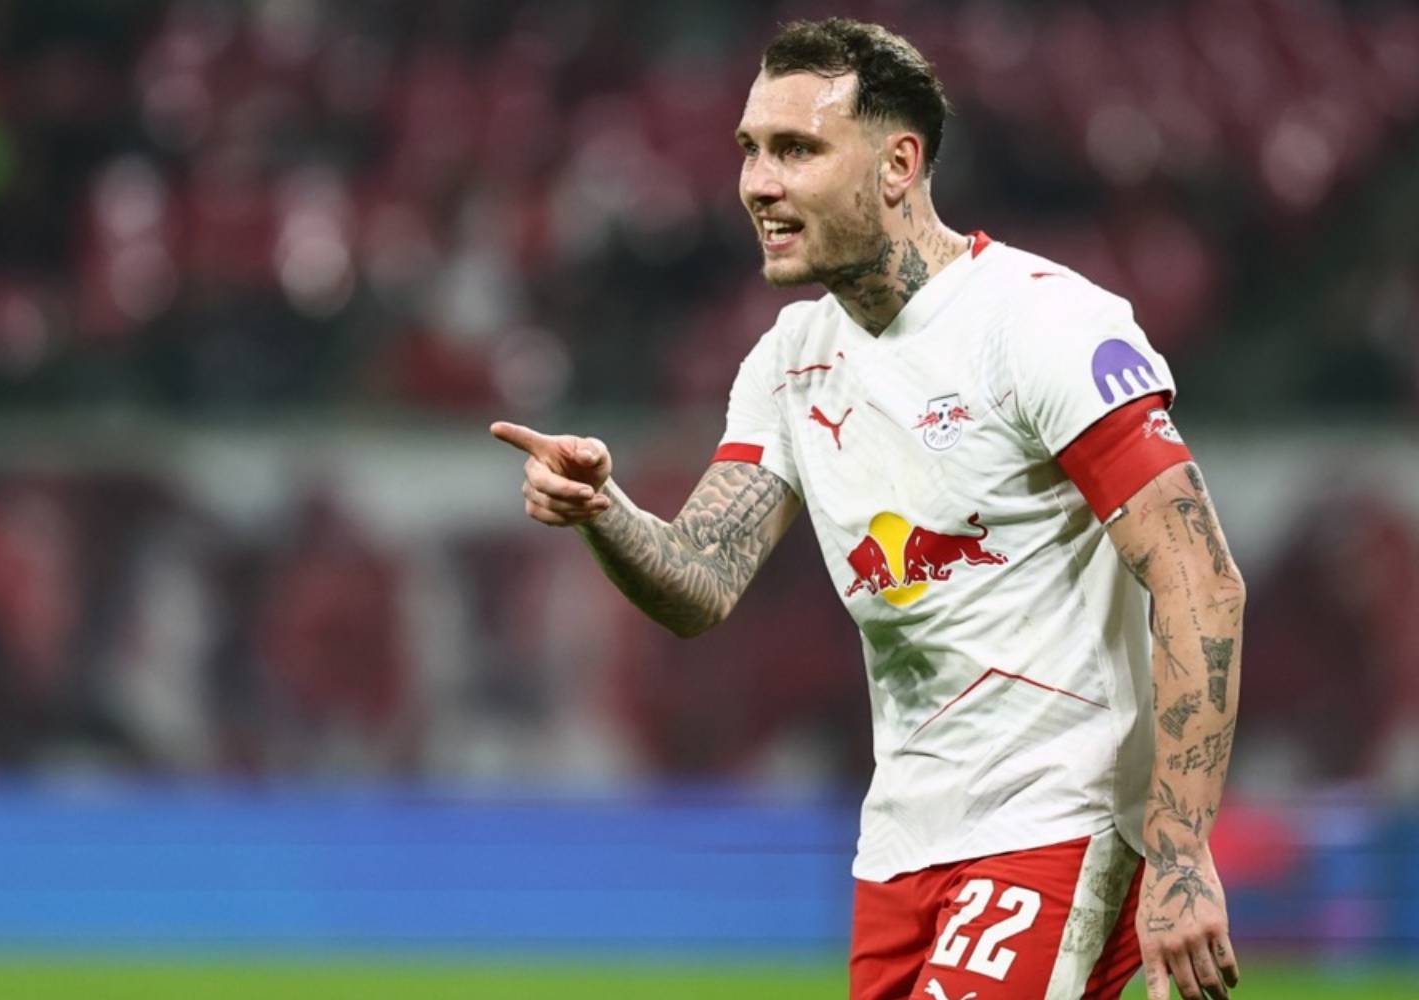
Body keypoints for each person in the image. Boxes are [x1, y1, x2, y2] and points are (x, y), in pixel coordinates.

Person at [492, 17, 1242, 1000]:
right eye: (751, 149)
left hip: (1063, 821)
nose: (758, 183)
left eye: (797, 150)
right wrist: (604, 511)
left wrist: (1180, 851)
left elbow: (1198, 580)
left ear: (898, 165)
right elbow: (700, 584)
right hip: (903, 844)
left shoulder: (1042, 323)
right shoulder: (790, 359)